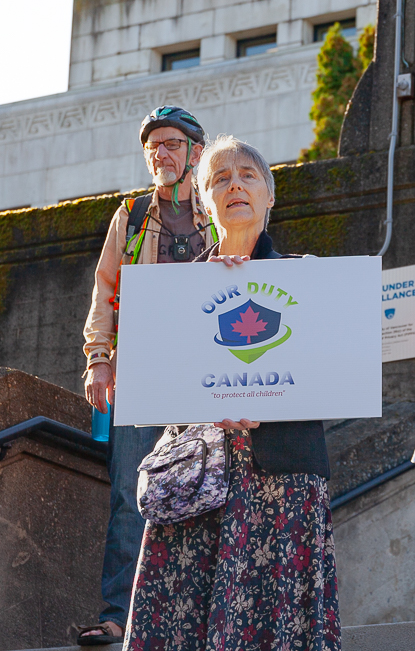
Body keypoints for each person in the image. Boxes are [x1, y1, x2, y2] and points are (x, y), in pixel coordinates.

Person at [119, 135, 341, 648]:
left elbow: (336, 373)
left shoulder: (312, 279)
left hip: (283, 483)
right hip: (199, 485)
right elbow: (155, 384)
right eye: (219, 177)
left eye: (247, 175)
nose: (234, 184)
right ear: (205, 200)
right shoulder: (171, 289)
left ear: (269, 195)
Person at [78, 106, 217, 645]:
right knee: (129, 494)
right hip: (141, 375)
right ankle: (120, 615)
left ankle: (198, 611)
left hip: (206, 376)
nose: (160, 153)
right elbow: (105, 291)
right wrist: (98, 358)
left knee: (206, 489)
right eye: (152, 145)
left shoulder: (217, 210)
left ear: (194, 154)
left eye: (171, 144)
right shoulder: (131, 216)